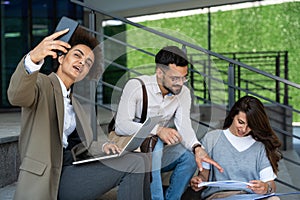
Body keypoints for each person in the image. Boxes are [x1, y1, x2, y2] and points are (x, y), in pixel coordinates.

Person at [7, 25, 150, 200]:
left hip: (70, 169)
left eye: (88, 63)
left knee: (141, 160)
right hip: (47, 178)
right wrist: (33, 58)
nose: (82, 62)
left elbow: (85, 144)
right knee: (134, 163)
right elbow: (16, 96)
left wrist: (104, 146)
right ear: (61, 58)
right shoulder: (42, 84)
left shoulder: (77, 104)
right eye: (77, 55)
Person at [114, 45, 223, 200]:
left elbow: (184, 126)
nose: (180, 83)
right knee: (156, 142)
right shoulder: (137, 86)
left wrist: (197, 147)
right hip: (130, 155)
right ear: (159, 73)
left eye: (184, 77)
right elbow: (121, 125)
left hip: (154, 157)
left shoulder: (182, 92)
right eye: (175, 78)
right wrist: (157, 130)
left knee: (189, 156)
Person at [190, 95, 282, 200]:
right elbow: (204, 176)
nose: (243, 129)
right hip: (220, 196)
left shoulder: (260, 146)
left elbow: (270, 183)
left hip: (252, 197)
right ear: (233, 116)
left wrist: (266, 188)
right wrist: (198, 181)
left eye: (250, 125)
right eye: (241, 122)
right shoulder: (212, 139)